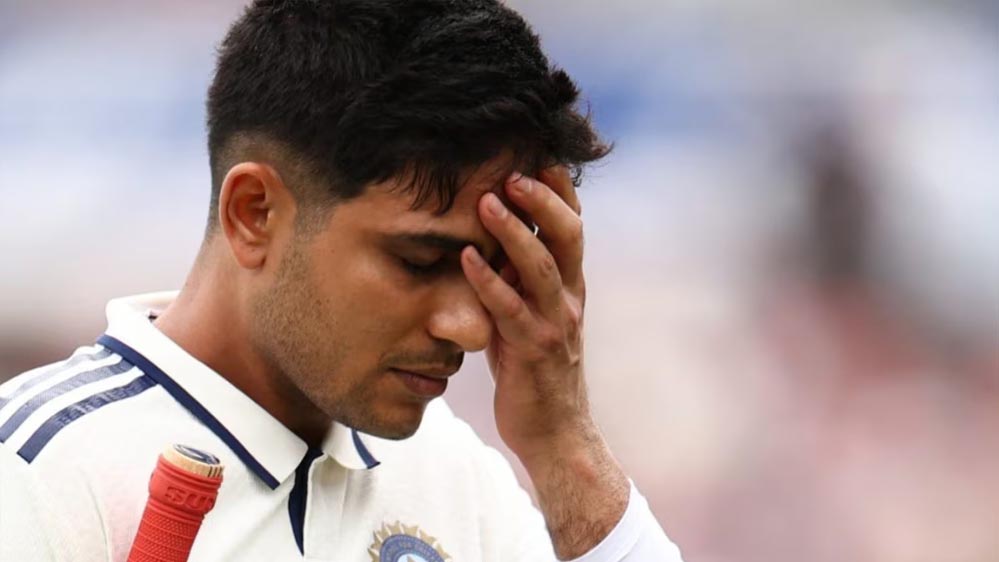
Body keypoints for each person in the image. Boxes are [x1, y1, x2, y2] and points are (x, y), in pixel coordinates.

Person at [0, 1, 684, 560]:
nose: (470, 327)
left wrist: (565, 447)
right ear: (254, 213)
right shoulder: (38, 474)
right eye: (419, 261)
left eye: (491, 266)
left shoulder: (454, 474)